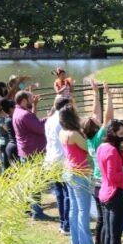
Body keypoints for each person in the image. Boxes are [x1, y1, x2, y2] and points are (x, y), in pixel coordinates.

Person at [58, 105, 95, 244]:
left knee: (74, 208)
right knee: (83, 210)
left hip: (68, 171)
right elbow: (89, 148)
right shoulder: (74, 134)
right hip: (80, 173)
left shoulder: (62, 132)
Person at [86, 82, 113, 244]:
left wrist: (96, 93)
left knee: (101, 219)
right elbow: (107, 118)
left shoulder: (90, 138)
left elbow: (96, 114)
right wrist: (108, 95)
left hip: (95, 182)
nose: (96, 117)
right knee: (105, 220)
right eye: (95, 120)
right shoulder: (98, 138)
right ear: (96, 127)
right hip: (103, 183)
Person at [12, 90, 50, 220]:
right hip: (32, 153)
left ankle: (27, 208)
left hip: (25, 152)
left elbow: (33, 122)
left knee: (29, 182)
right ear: (24, 100)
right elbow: (40, 128)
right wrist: (50, 118)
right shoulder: (25, 115)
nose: (33, 99)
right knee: (35, 183)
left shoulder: (18, 112)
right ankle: (37, 213)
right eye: (30, 98)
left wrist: (35, 105)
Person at [44, 95, 72, 235]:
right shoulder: (62, 120)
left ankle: (63, 223)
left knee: (59, 193)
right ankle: (66, 225)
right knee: (67, 193)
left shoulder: (49, 120)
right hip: (62, 160)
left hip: (51, 159)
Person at [0, 99, 18, 171]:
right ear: (1, 111)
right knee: (5, 163)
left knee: (4, 161)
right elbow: (8, 130)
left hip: (2, 142)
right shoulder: (1, 120)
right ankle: (4, 174)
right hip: (5, 143)